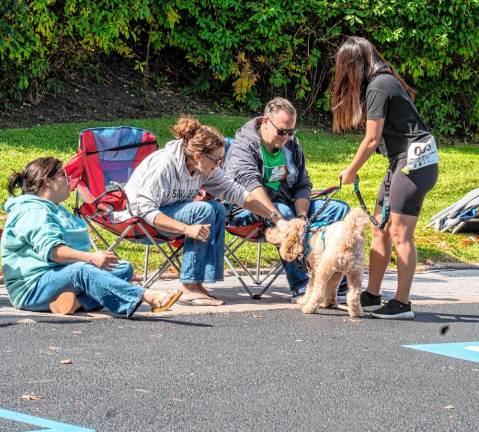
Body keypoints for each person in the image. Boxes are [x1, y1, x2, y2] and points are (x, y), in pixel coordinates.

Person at [117, 117, 279, 306]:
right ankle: (189, 287)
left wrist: (273, 215)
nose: (219, 164)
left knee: (217, 208)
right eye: (216, 160)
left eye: (221, 159)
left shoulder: (205, 168)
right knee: (202, 209)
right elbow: (145, 210)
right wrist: (186, 229)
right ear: (197, 156)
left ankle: (199, 282)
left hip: (168, 216)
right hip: (138, 221)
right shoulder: (164, 165)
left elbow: (236, 192)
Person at [332, 36, 439, 319]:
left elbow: (371, 140)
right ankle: (372, 294)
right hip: (402, 162)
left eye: (344, 67)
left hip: (413, 164)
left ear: (353, 65)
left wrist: (351, 171)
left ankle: (402, 303)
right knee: (379, 228)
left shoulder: (379, 86)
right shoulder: (384, 81)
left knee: (401, 234)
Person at [1, 157, 182, 317]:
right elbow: (53, 252)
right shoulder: (32, 210)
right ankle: (146, 296)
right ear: (47, 181)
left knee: (122, 268)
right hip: (33, 288)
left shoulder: (55, 208)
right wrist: (91, 258)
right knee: (82, 270)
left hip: (60, 278)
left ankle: (75, 303)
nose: (69, 180)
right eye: (64, 176)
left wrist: (93, 261)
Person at [224, 97, 350, 301]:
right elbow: (251, 188)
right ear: (265, 121)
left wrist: (302, 216)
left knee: (339, 210)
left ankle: (337, 284)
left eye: (291, 131)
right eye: (282, 131)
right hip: (246, 210)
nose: (286, 136)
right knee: (285, 213)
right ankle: (301, 285)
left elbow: (302, 184)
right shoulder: (243, 148)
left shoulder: (291, 146)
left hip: (288, 207)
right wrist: (281, 220)